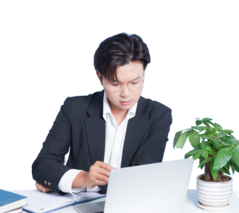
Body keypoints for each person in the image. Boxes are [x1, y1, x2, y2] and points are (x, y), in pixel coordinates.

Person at [31, 30, 173, 196]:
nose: (126, 93)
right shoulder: (74, 107)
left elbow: (142, 177)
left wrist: (64, 181)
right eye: (115, 84)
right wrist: (84, 178)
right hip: (75, 208)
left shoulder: (159, 114)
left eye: (135, 82)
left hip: (129, 206)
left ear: (144, 74)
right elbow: (41, 164)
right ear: (100, 78)